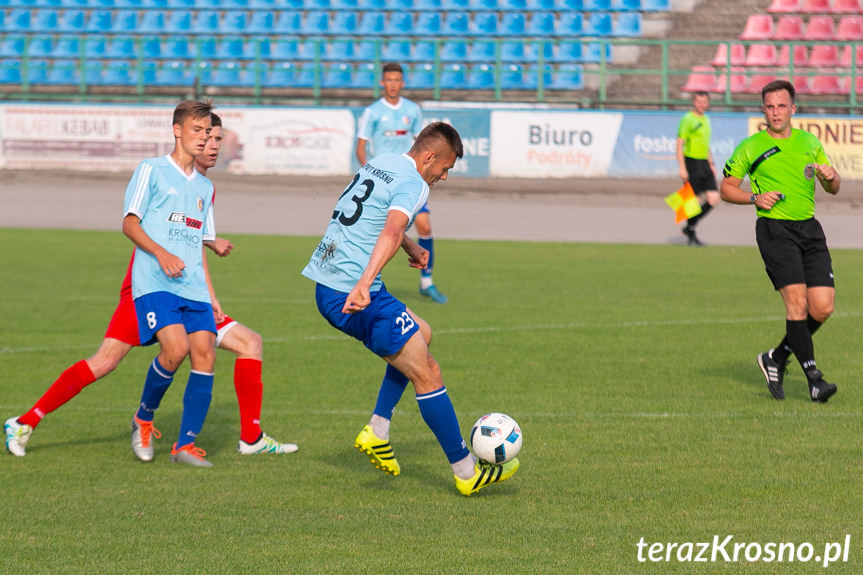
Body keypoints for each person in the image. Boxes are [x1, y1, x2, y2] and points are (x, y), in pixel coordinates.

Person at [5, 114, 297, 460]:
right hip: (147, 288)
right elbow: (141, 227)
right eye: (207, 136)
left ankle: (249, 436)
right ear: (183, 134)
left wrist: (211, 274)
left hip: (189, 290)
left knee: (249, 342)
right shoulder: (158, 173)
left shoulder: (203, 188)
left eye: (217, 138)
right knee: (108, 361)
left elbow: (192, 242)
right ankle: (30, 421)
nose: (212, 144)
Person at [303, 122, 519, 496]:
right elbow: (388, 230)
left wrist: (411, 247)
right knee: (429, 372)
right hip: (351, 289)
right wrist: (364, 283)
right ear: (430, 156)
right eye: (446, 167)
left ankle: (378, 429)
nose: (445, 177)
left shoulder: (381, 162)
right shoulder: (416, 183)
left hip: (328, 281)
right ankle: (467, 472)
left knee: (423, 332)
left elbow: (374, 219)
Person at [720, 80, 839, 403]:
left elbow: (834, 187)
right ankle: (815, 380)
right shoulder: (750, 146)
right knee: (797, 304)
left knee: (823, 307)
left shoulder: (809, 142)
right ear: (763, 110)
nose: (775, 112)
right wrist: (754, 198)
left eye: (781, 106)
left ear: (793, 109)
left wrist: (831, 177)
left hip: (810, 230)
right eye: (770, 107)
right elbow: (726, 188)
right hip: (775, 231)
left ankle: (775, 357)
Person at [355, 62, 448, 304]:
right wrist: (369, 172)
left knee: (424, 227)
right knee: (380, 229)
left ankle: (427, 282)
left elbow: (423, 144)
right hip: (385, 180)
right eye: (389, 80)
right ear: (382, 83)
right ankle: (364, 280)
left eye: (397, 80)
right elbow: (361, 147)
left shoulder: (413, 110)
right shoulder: (372, 112)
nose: (393, 84)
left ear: (403, 83)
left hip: (409, 179)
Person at [676, 91, 719, 246]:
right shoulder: (687, 119)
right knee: (692, 201)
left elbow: (706, 144)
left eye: (704, 101)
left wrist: (711, 163)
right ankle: (691, 231)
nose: (702, 104)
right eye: (699, 101)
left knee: (713, 199)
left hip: (705, 163)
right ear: (694, 102)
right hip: (691, 162)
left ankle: (689, 227)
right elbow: (679, 144)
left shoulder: (706, 119)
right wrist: (682, 168)